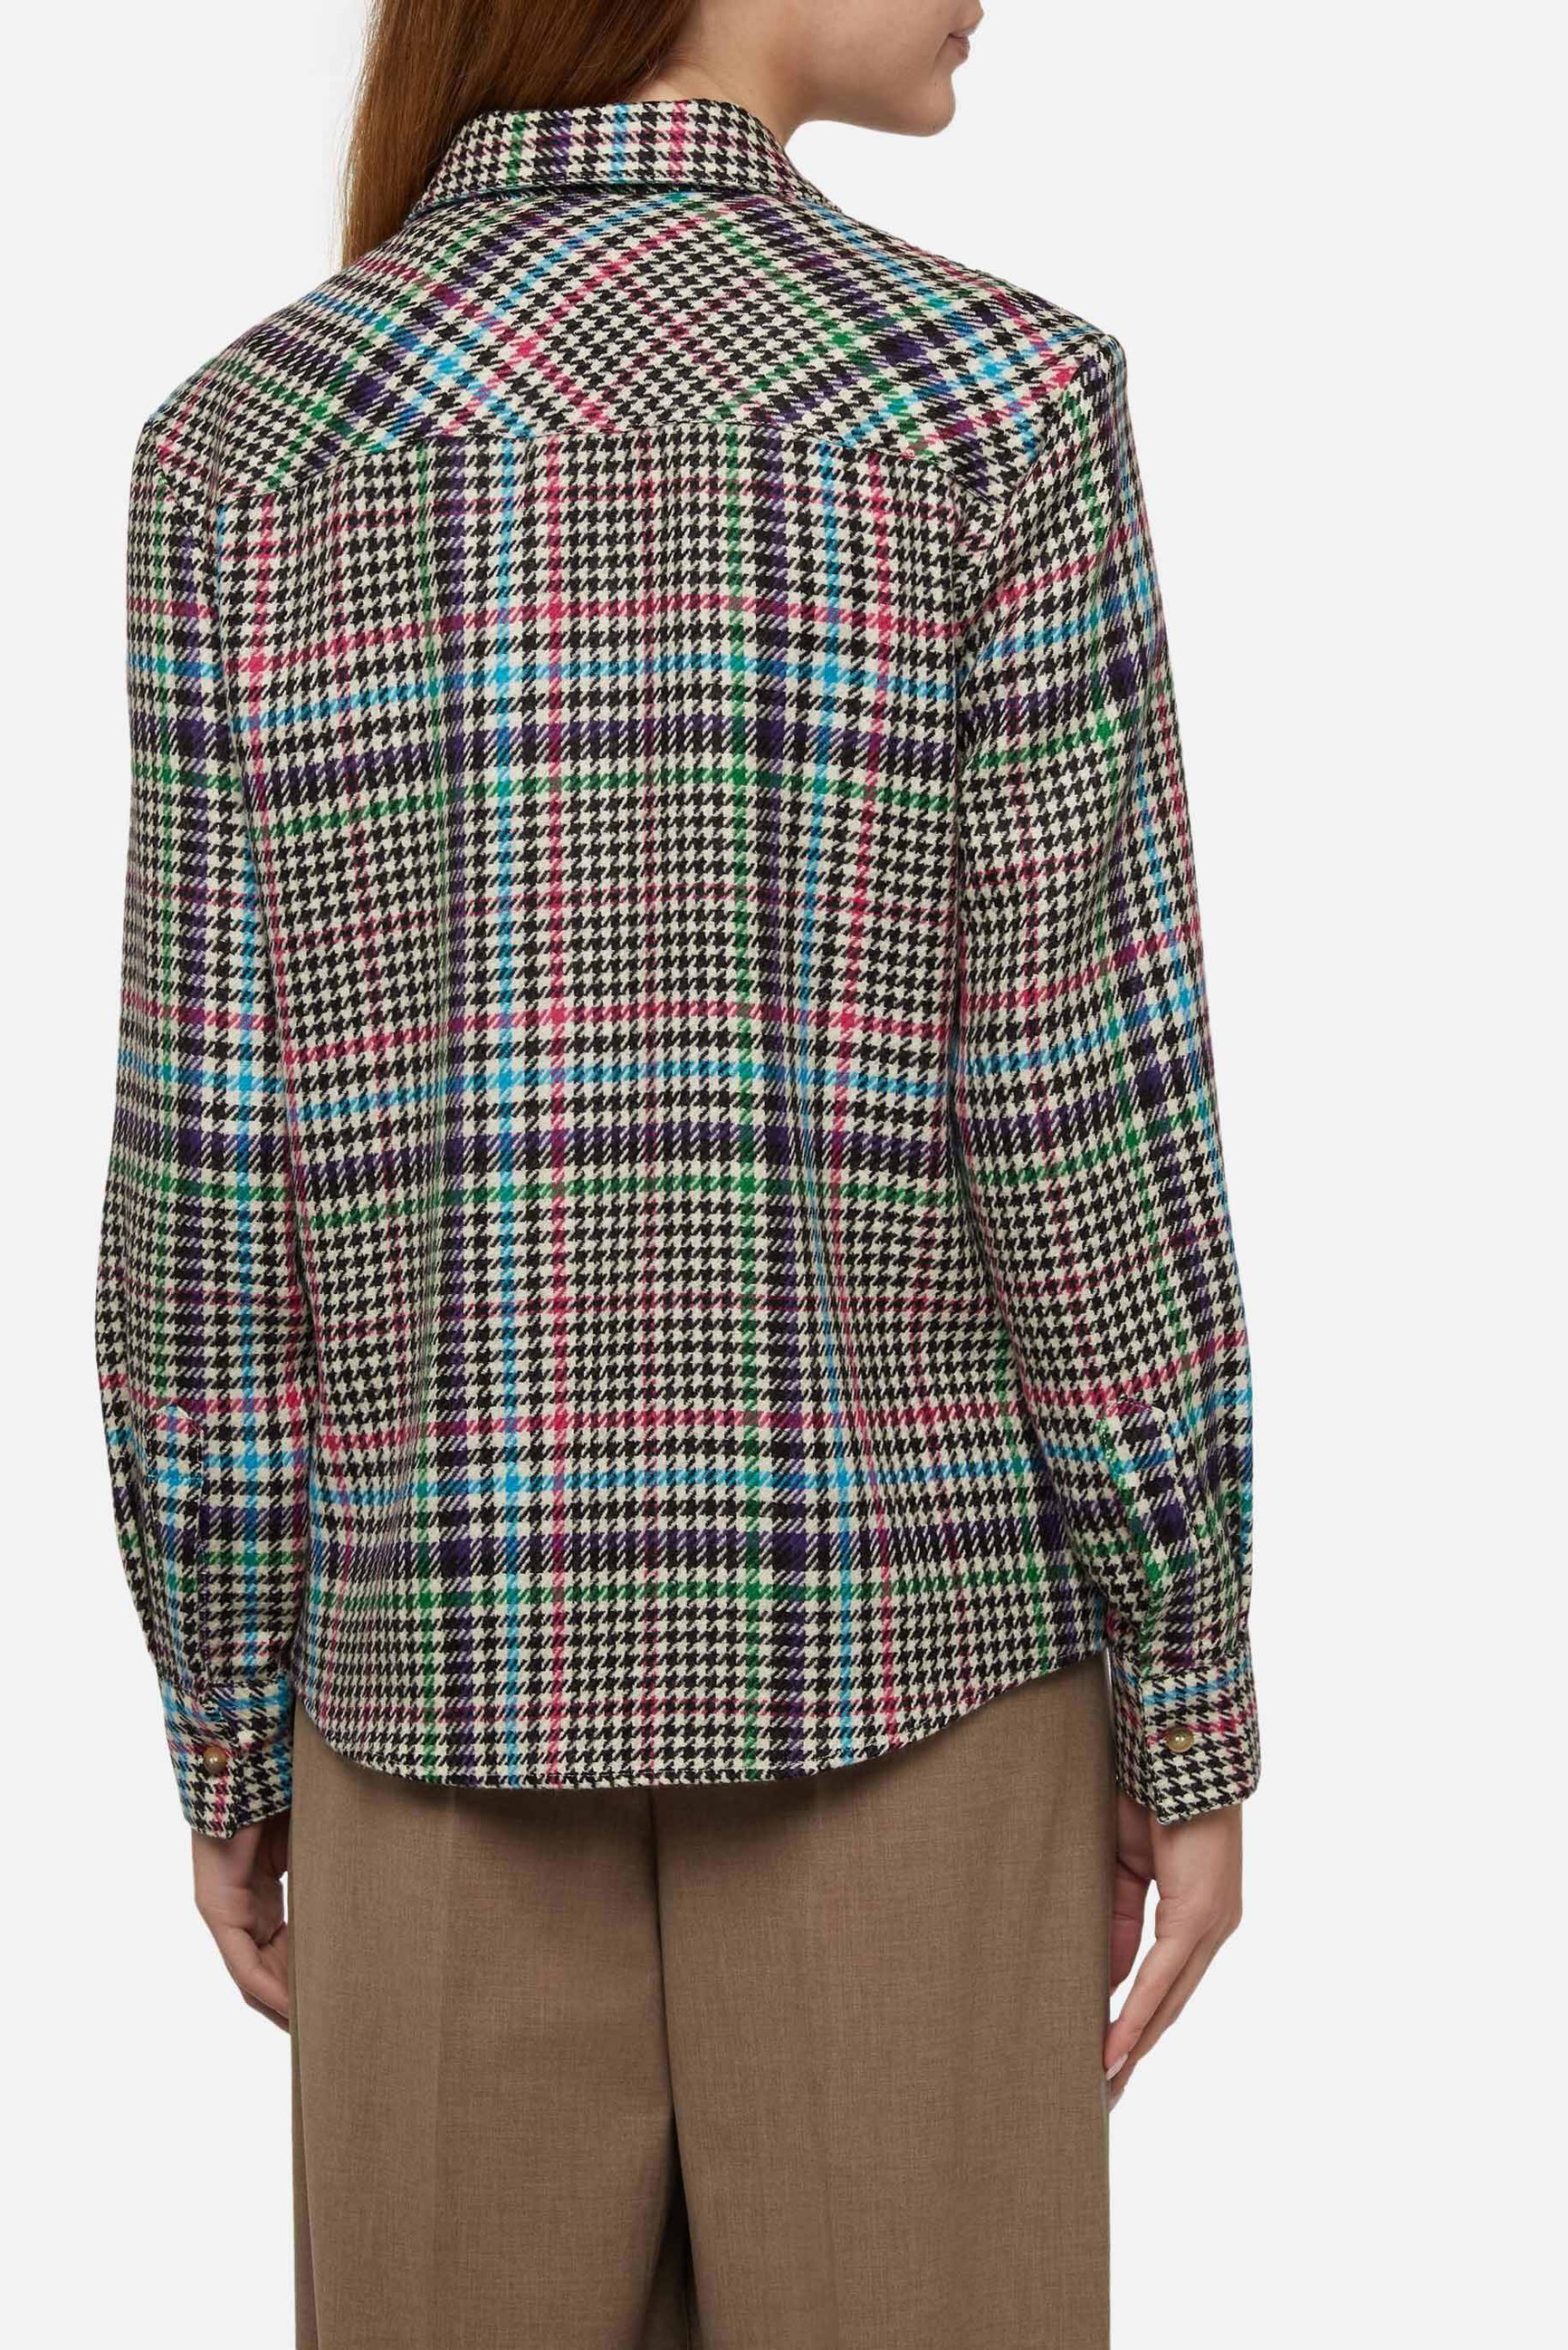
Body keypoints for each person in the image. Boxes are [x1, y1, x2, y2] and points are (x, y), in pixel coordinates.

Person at [96, 1, 1257, 2341]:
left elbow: (210, 1168)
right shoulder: (998, 409)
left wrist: (226, 1708)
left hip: (427, 1689)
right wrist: (1189, 1689)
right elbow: (1083, 1120)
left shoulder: (245, 448)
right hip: (916, 1678)